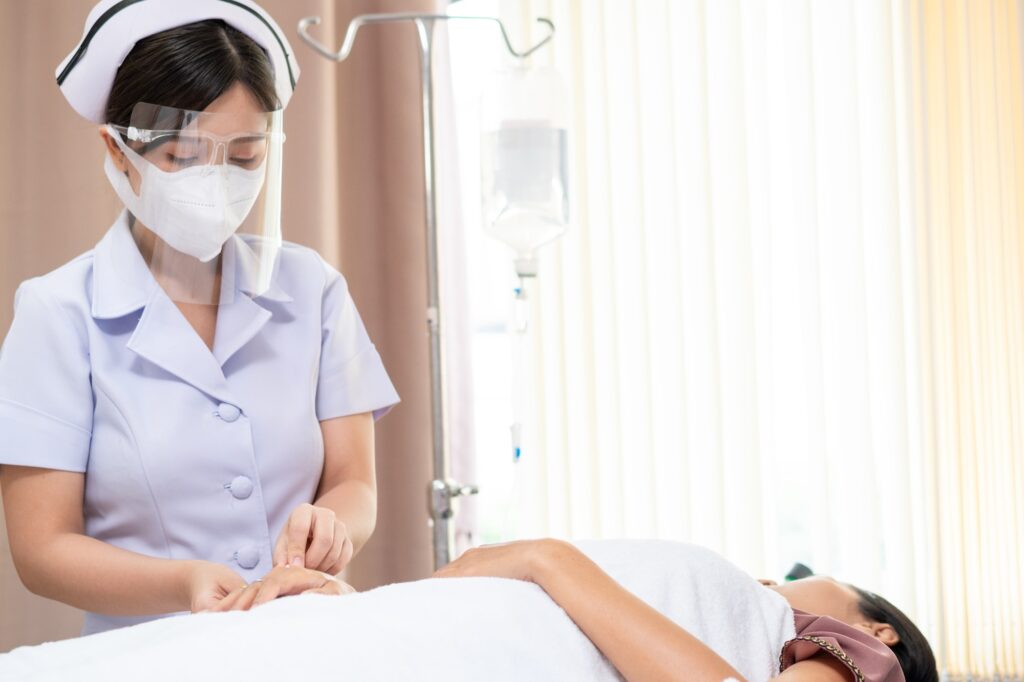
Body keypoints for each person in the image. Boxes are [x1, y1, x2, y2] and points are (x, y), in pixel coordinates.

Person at [0, 0, 399, 635]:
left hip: (307, 641)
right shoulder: (59, 313)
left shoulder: (313, 289)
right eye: (183, 157)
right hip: (145, 657)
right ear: (117, 149)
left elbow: (356, 484)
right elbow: (41, 549)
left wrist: (330, 527)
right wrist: (182, 582)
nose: (216, 182)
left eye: (244, 159)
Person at [433, 539, 940, 682]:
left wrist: (548, 560)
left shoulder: (870, 657)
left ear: (880, 629)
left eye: (797, 579)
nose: (776, 582)